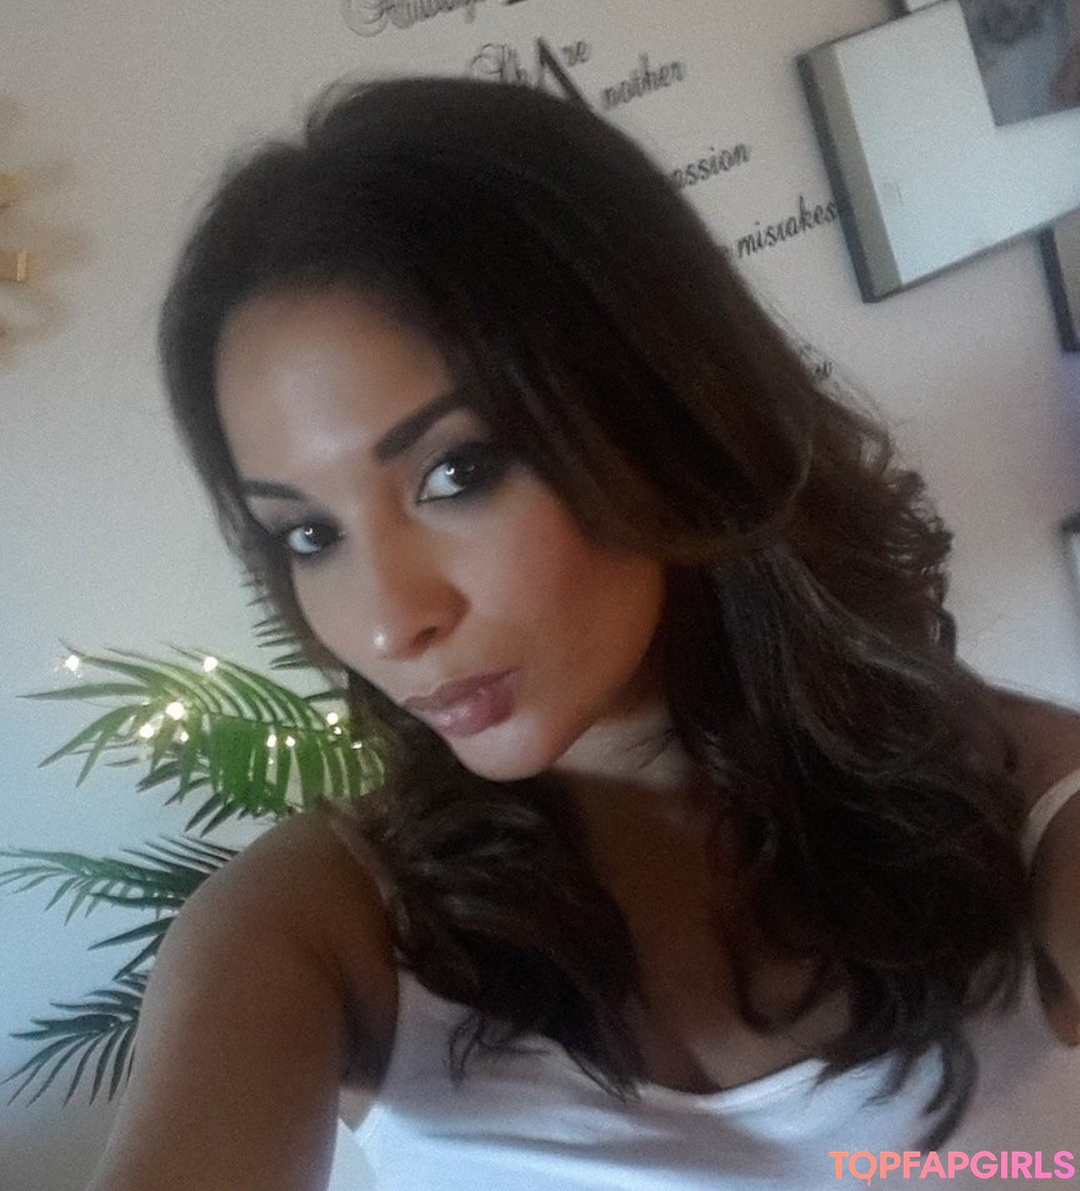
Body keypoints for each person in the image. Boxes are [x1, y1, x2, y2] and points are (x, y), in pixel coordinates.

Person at [89, 78, 1080, 1190]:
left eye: (457, 472)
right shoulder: (312, 931)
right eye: (309, 535)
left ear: (660, 409)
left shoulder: (1024, 804)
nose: (389, 622)